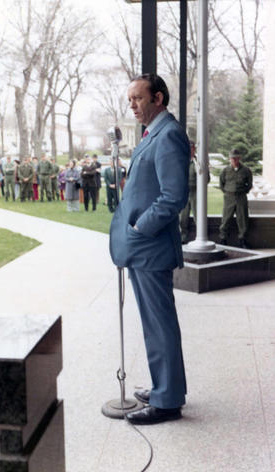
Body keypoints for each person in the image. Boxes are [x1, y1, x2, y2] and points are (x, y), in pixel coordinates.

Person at [110, 73, 190, 425]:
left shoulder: (168, 134)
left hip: (151, 247)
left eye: (137, 98)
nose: (132, 105)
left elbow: (174, 196)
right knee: (154, 325)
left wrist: (140, 227)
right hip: (143, 248)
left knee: (160, 326)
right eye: (129, 100)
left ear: (158, 98)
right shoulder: (153, 133)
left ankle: (167, 401)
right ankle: (164, 388)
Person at [219, 148, 253, 248]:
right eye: (232, 158)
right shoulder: (225, 170)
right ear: (229, 159)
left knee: (242, 219)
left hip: (241, 197)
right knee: (226, 219)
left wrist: (243, 191)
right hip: (229, 196)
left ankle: (242, 240)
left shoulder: (246, 170)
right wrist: (227, 192)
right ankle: (223, 239)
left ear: (239, 158)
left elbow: (249, 184)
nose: (234, 160)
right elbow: (221, 184)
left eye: (236, 158)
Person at [179, 141, 210, 244]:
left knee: (199, 216)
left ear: (194, 149)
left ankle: (200, 237)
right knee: (183, 217)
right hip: (184, 193)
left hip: (196, 193)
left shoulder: (199, 162)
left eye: (191, 148)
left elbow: (206, 178)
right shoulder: (182, 161)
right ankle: (183, 237)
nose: (190, 150)